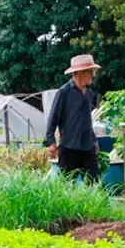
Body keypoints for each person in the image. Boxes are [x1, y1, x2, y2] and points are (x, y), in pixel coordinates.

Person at [45, 54, 101, 183]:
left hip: (88, 147)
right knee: (68, 187)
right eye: (90, 71)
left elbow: (87, 121)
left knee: (94, 184)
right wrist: (51, 142)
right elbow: (53, 118)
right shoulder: (64, 92)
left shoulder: (89, 94)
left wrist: (94, 140)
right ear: (79, 73)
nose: (93, 75)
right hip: (69, 147)